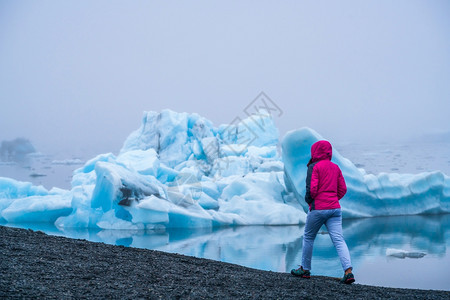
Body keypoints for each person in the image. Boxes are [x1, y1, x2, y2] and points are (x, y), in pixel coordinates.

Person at [291, 140, 355, 284]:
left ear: (315, 151)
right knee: (339, 240)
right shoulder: (335, 167)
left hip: (318, 208)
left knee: (308, 237)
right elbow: (343, 189)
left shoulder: (314, 167)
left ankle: (305, 269)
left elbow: (312, 189)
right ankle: (348, 272)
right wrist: (332, 199)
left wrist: (310, 201)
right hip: (335, 209)